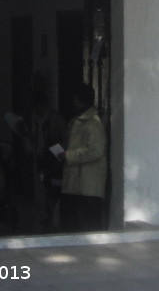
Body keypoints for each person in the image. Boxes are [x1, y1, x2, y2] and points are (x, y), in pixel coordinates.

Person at [58, 82, 107, 232]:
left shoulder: (93, 123)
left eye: (74, 99)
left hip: (88, 186)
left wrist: (69, 156)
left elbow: (96, 151)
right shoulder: (78, 121)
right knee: (71, 225)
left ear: (78, 100)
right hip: (75, 185)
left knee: (87, 226)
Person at [29, 90, 66, 232]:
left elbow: (65, 136)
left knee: (54, 188)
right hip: (41, 157)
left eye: (39, 107)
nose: (37, 110)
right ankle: (49, 216)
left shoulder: (55, 118)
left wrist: (62, 154)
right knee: (44, 186)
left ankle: (54, 218)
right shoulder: (34, 118)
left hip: (54, 157)